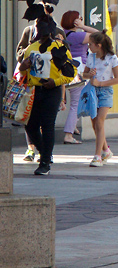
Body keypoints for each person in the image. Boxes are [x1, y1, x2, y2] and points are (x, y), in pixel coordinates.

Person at [17, 16, 76, 175]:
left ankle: (44, 163)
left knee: (48, 125)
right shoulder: (32, 47)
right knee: (30, 125)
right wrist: (23, 66)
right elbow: (23, 72)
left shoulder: (59, 47)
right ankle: (45, 154)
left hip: (52, 90)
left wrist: (56, 82)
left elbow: (71, 73)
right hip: (34, 90)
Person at [80, 31, 118, 167]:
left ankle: (97, 156)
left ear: (99, 45)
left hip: (105, 91)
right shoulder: (90, 57)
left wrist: (101, 84)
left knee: (99, 121)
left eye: (90, 44)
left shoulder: (112, 58)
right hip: (92, 91)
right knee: (94, 122)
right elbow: (84, 75)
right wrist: (88, 74)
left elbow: (117, 79)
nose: (88, 46)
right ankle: (106, 150)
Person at [60, 9, 99, 145]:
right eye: (80, 18)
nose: (81, 20)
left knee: (69, 101)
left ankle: (73, 126)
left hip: (63, 71)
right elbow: (99, 34)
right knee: (76, 104)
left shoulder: (61, 34)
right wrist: (82, 27)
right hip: (77, 72)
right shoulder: (77, 36)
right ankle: (69, 134)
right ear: (75, 21)